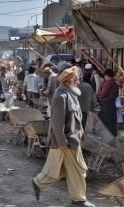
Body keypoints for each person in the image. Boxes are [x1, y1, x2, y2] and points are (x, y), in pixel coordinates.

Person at [32, 66, 95, 207]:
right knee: (78, 170)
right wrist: (62, 141)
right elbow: (57, 122)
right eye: (77, 78)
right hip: (67, 141)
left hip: (72, 139)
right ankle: (79, 200)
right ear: (70, 80)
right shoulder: (61, 96)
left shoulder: (70, 92)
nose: (79, 81)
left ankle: (38, 182)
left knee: (60, 169)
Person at [97, 69, 119, 136]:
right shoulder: (116, 84)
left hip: (106, 104)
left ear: (106, 75)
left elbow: (103, 94)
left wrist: (98, 94)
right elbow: (117, 94)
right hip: (113, 103)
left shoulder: (107, 84)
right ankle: (114, 135)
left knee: (107, 121)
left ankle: (108, 136)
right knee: (113, 121)